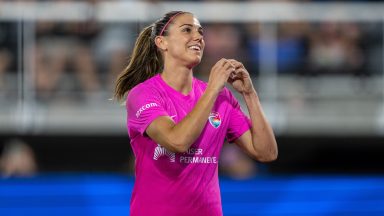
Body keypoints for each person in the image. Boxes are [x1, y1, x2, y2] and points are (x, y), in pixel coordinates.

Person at [114, 11, 278, 216]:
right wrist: (212, 89)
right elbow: (177, 141)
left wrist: (249, 94)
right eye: (187, 30)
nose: (199, 37)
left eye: (200, 31)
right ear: (162, 42)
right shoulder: (144, 94)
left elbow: (266, 152)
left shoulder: (221, 98)